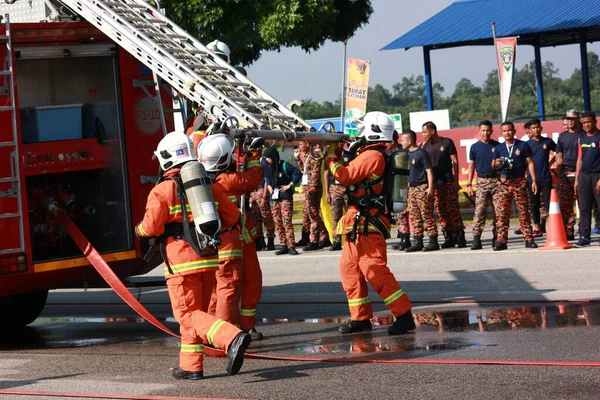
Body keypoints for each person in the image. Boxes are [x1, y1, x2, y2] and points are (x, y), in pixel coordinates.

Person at [135, 131, 249, 380]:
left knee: (186, 314)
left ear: (166, 157)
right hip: (208, 259)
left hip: (181, 263)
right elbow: (232, 217)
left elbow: (151, 227)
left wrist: (139, 230)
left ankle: (231, 337)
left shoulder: (162, 189)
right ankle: (191, 366)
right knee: (196, 315)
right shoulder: (209, 185)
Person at [325, 111, 415, 335]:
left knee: (374, 271)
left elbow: (345, 176)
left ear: (372, 131)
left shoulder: (372, 156)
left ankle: (403, 315)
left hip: (368, 223)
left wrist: (330, 159)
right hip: (357, 223)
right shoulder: (371, 154)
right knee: (350, 271)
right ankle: (360, 318)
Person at [197, 133, 264, 338]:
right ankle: (228, 334)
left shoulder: (205, 180)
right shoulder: (228, 180)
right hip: (234, 241)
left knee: (218, 289)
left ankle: (215, 330)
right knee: (236, 285)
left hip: (221, 241)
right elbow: (253, 178)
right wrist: (253, 154)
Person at [492, 121, 538, 250]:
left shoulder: (522, 145)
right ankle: (501, 241)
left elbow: (530, 163)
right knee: (502, 213)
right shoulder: (498, 148)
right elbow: (493, 164)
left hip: (519, 182)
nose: (507, 133)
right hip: (504, 183)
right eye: (505, 131)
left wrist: (533, 180)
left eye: (509, 130)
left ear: (514, 131)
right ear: (501, 133)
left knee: (524, 212)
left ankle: (528, 239)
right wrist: (498, 164)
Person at [421, 121, 466, 248]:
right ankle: (449, 236)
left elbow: (455, 162)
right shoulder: (425, 146)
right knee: (441, 211)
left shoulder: (447, 142)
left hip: (448, 182)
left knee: (453, 210)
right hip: (435, 184)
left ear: (432, 131)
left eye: (425, 132)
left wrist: (455, 181)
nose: (423, 134)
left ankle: (460, 235)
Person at [401, 130, 439, 252]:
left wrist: (430, 187)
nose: (401, 142)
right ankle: (418, 241)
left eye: (403, 140)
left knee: (426, 215)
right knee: (414, 216)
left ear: (410, 141)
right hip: (412, 189)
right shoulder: (407, 155)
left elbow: (429, 171)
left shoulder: (421, 153)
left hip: (422, 188)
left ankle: (433, 240)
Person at [466, 120, 499, 250]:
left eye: (487, 130)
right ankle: (476, 239)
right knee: (480, 211)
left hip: (496, 181)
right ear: (479, 132)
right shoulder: (474, 147)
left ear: (491, 131)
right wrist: (469, 184)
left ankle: (497, 237)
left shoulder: (498, 146)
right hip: (481, 181)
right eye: (483, 130)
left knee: (498, 211)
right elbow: (471, 166)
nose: (485, 133)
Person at [266, 146, 302, 255]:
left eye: (268, 157)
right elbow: (266, 178)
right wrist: (268, 185)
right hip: (274, 198)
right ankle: (283, 245)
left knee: (287, 221)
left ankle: (291, 246)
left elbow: (297, 173)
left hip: (285, 196)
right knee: (278, 222)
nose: (267, 160)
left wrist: (290, 185)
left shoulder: (284, 165)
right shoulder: (269, 167)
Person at [296, 140, 330, 251]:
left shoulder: (314, 156)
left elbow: (315, 173)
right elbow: (303, 171)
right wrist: (298, 159)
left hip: (312, 189)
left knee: (313, 214)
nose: (299, 146)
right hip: (307, 188)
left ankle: (314, 240)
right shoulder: (306, 157)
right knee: (312, 214)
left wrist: (312, 188)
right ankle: (324, 237)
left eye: (301, 144)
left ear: (307, 144)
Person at [574, 111, 600, 247]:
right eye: (583, 123)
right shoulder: (581, 138)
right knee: (584, 208)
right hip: (584, 176)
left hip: (597, 175)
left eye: (588, 122)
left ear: (595, 121)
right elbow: (579, 158)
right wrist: (577, 179)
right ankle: (584, 236)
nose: (586, 125)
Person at [556, 109, 583, 240]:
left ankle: (584, 230)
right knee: (566, 205)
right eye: (568, 119)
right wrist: (560, 173)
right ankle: (569, 230)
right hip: (566, 172)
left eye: (573, 119)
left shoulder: (584, 135)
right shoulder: (562, 136)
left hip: (582, 172)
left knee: (583, 203)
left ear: (578, 119)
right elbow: (559, 156)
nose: (570, 121)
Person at [527, 119, 556, 236]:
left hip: (545, 177)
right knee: (534, 203)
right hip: (532, 179)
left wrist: (550, 163)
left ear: (541, 128)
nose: (536, 129)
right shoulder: (526, 144)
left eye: (538, 127)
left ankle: (550, 225)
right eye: (533, 128)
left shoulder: (548, 141)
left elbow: (558, 151)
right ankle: (537, 227)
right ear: (530, 130)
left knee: (549, 202)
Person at [250, 150, 277, 251]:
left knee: (266, 217)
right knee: (256, 218)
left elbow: (267, 179)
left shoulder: (263, 162)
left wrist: (265, 195)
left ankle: (270, 241)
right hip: (253, 191)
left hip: (261, 191)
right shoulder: (250, 162)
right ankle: (260, 242)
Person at [324, 139, 347, 251]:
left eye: (340, 143)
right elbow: (326, 173)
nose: (338, 145)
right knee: (335, 216)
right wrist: (327, 192)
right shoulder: (330, 157)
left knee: (349, 214)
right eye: (336, 143)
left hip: (346, 187)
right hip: (334, 187)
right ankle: (336, 241)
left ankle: (350, 238)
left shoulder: (348, 155)